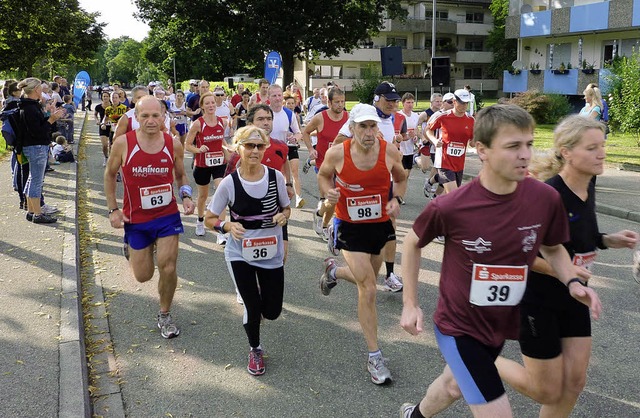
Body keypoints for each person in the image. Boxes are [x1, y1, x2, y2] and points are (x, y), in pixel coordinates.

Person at [399, 104, 603, 418]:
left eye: (529, 144)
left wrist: (572, 281)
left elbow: (551, 247)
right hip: (459, 327)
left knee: (454, 385)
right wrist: (410, 303)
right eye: (513, 146)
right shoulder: (452, 206)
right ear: (482, 149)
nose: (525, 155)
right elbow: (412, 243)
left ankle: (416, 415)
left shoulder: (544, 199)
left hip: (500, 323)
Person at [494, 115, 638, 418]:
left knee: (574, 382)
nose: (601, 154)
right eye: (591, 148)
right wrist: (566, 272)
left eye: (603, 146)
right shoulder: (548, 195)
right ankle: (477, 358)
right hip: (538, 301)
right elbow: (517, 254)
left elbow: (578, 236)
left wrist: (609, 240)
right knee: (543, 389)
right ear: (568, 152)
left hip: (575, 298)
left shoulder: (589, 182)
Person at [317, 103, 407, 385]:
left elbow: (401, 178)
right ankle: (375, 355)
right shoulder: (337, 153)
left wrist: (397, 200)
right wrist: (328, 193)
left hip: (379, 226)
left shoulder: (388, 150)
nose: (369, 133)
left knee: (366, 278)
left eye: (372, 127)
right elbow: (322, 175)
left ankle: (333, 272)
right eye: (363, 127)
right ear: (352, 129)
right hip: (349, 226)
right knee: (368, 286)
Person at [104, 96, 195, 339]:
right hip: (136, 219)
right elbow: (110, 175)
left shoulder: (173, 144)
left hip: (167, 216)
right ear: (136, 117)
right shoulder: (123, 144)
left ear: (164, 116)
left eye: (156, 115)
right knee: (143, 276)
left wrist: (186, 196)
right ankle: (131, 247)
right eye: (145, 116)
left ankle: (165, 314)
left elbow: (181, 176)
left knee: (168, 265)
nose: (151, 121)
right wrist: (113, 209)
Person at [204, 125, 291, 376]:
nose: (254, 151)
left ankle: (260, 300)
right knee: (252, 307)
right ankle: (255, 349)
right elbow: (209, 218)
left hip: (270, 252)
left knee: (272, 312)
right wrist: (227, 225)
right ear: (238, 148)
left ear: (265, 148)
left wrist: (284, 217)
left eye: (259, 146)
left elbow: (286, 209)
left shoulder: (276, 177)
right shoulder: (229, 184)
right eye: (249, 145)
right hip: (239, 252)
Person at [301, 87, 348, 240]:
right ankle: (325, 226)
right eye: (337, 102)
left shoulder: (348, 118)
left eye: (342, 101)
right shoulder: (320, 118)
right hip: (324, 165)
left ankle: (320, 216)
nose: (340, 105)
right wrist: (310, 149)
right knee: (330, 198)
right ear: (329, 102)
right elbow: (305, 132)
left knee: (340, 198)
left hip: (343, 165)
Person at [183, 92, 228, 244]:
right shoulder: (198, 124)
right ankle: (200, 221)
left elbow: (220, 139)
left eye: (213, 103)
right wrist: (198, 150)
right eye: (207, 103)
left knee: (222, 191)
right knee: (203, 196)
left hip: (219, 163)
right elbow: (187, 145)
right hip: (202, 164)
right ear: (202, 106)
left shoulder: (223, 122)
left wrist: (228, 150)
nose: (211, 106)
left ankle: (220, 231)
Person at [19, 77, 65, 223]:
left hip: (33, 146)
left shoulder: (29, 105)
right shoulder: (30, 108)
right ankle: (37, 214)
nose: (43, 91)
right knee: (36, 181)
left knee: (32, 178)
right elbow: (37, 131)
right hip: (36, 146)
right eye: (40, 88)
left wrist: (50, 116)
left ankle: (31, 210)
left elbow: (38, 127)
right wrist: (51, 119)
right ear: (35, 90)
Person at [425, 89, 474, 194]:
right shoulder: (443, 116)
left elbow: (472, 142)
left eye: (466, 103)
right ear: (454, 101)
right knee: (454, 194)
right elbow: (428, 130)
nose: (464, 105)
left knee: (450, 196)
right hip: (444, 161)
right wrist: (434, 140)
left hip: (459, 163)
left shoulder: (471, 120)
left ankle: (432, 187)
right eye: (462, 102)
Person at [268, 84, 306, 208]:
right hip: (264, 155)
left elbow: (299, 133)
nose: (278, 98)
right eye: (274, 96)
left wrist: (295, 138)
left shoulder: (289, 114)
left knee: (279, 191)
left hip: (281, 156)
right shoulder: (263, 112)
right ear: (269, 97)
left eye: (279, 95)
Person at [398, 93, 420, 182]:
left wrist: (415, 137)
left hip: (410, 149)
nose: (410, 105)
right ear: (403, 103)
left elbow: (415, 130)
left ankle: (402, 191)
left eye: (412, 102)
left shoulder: (415, 116)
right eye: (408, 102)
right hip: (400, 149)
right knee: (402, 175)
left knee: (407, 175)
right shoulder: (399, 115)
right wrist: (406, 137)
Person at [95, 91, 112, 166]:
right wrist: (97, 120)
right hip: (102, 126)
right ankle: (106, 157)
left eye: (107, 96)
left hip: (112, 126)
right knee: (104, 145)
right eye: (104, 96)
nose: (105, 98)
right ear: (101, 97)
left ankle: (111, 159)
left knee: (111, 145)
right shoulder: (98, 106)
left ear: (109, 97)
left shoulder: (113, 106)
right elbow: (95, 114)